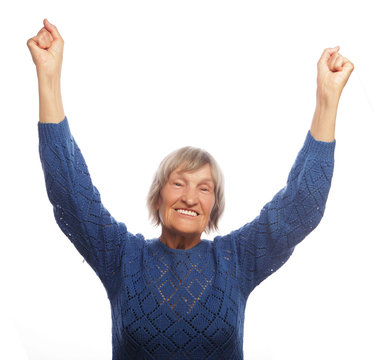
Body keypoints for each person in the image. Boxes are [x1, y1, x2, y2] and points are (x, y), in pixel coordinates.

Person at [27, 18, 354, 360]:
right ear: (158, 197)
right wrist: (48, 77)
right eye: (178, 182)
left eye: (204, 188)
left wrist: (326, 99)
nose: (189, 197)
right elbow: (70, 190)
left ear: (214, 206)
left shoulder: (236, 259)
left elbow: (301, 206)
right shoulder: (121, 256)